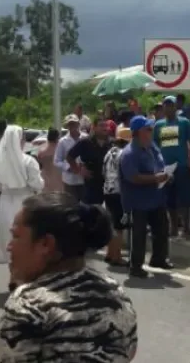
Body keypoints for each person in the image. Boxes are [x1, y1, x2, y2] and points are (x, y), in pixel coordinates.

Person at [0, 193, 137, 362]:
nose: (9, 247)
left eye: (16, 236)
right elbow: (130, 350)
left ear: (46, 244)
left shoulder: (29, 307)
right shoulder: (115, 292)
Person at [0, 125, 44, 293]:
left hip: (5, 204)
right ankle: (26, 279)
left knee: (11, 242)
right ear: (21, 141)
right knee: (29, 240)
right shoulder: (28, 161)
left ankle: (13, 277)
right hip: (26, 203)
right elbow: (37, 184)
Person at [68, 118, 126, 266]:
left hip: (109, 185)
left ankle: (110, 251)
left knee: (110, 218)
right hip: (92, 184)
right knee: (89, 215)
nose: (104, 129)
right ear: (93, 127)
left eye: (106, 126)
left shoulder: (111, 143)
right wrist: (79, 170)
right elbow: (70, 156)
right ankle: (79, 246)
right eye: (101, 126)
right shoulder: (85, 143)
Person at [120, 115, 172, 278]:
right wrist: (156, 178)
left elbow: (160, 163)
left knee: (162, 229)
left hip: (156, 198)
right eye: (148, 129)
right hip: (138, 201)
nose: (151, 132)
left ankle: (158, 259)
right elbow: (133, 177)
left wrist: (166, 174)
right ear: (138, 132)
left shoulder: (152, 146)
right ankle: (136, 266)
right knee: (139, 235)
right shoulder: (129, 153)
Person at [153, 95, 190, 236]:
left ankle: (186, 228)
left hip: (182, 166)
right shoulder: (158, 125)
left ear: (176, 107)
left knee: (185, 199)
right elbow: (155, 145)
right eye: (166, 105)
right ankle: (173, 228)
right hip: (166, 168)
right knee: (169, 199)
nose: (168, 108)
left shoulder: (184, 123)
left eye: (171, 105)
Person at [102, 127, 131, 265]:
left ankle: (109, 253)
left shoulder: (108, 153)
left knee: (112, 224)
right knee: (119, 226)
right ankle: (117, 256)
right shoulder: (124, 154)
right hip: (119, 192)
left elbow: (103, 172)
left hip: (108, 191)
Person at [54, 114, 88, 202]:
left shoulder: (86, 138)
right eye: (70, 124)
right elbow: (57, 160)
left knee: (86, 205)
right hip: (70, 180)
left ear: (78, 124)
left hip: (84, 179)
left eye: (74, 123)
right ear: (67, 126)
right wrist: (69, 167)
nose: (72, 126)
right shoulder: (62, 141)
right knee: (71, 205)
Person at [36, 128, 64, 193]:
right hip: (58, 178)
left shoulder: (41, 149)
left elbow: (39, 164)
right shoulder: (60, 149)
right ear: (57, 137)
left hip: (45, 178)